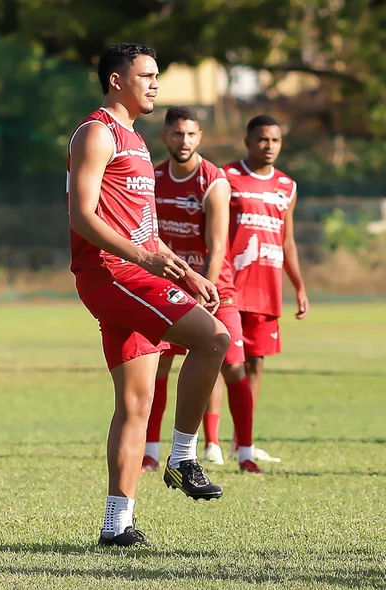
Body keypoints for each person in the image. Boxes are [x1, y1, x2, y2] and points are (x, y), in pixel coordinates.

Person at [67, 43, 228, 548]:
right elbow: (82, 217)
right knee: (214, 339)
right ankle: (182, 456)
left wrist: (185, 273)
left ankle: (117, 525)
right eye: (147, 75)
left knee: (136, 405)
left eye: (157, 76)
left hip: (133, 272)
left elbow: (143, 231)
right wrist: (146, 261)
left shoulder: (135, 140)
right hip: (111, 274)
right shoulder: (98, 133)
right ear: (117, 81)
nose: (156, 84)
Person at [143, 105, 261, 475]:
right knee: (158, 364)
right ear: (164, 137)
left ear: (200, 137)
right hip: (169, 286)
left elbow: (218, 247)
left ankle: (245, 453)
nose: (184, 140)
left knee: (234, 368)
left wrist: (203, 292)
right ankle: (150, 451)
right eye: (177, 134)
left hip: (215, 287)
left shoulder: (213, 180)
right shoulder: (152, 178)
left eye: (191, 134)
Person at [224, 114, 310, 463]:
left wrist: (299, 286)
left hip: (266, 290)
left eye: (274, 140)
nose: (269, 146)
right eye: (262, 139)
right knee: (223, 362)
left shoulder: (286, 186)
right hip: (230, 284)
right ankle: (212, 443)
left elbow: (287, 241)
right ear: (247, 141)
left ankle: (240, 443)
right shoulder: (226, 177)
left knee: (255, 366)